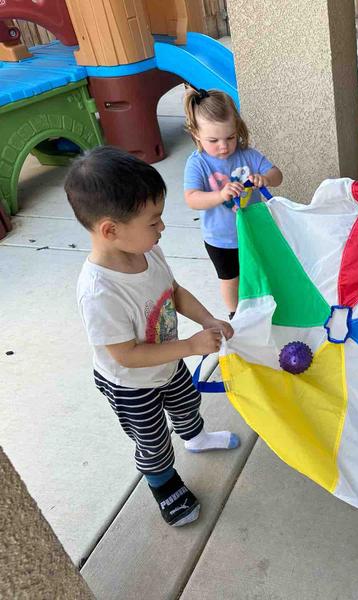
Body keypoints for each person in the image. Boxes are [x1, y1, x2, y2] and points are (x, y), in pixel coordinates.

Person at [67, 146, 240, 527]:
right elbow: (125, 355)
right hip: (131, 384)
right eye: (153, 221)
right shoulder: (100, 292)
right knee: (154, 441)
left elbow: (173, 292)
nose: (162, 229)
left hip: (167, 362)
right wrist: (191, 346)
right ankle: (164, 484)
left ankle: (195, 437)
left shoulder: (149, 251)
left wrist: (207, 318)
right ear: (110, 230)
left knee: (186, 402)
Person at [183, 88, 283, 316]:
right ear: (196, 134)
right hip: (220, 239)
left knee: (260, 270)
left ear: (237, 129)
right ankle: (235, 314)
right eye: (213, 140)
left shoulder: (247, 155)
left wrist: (265, 178)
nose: (223, 146)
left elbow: (277, 175)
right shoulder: (198, 164)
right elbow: (191, 198)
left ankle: (264, 304)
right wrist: (219, 195)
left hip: (254, 232)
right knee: (230, 279)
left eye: (230, 137)